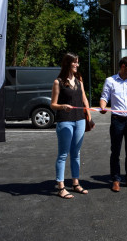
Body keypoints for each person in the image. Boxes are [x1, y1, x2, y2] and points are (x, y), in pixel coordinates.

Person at [51, 52, 92, 199]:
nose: (77, 65)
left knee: (76, 154)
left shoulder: (79, 81)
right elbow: (53, 104)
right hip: (65, 121)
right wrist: (63, 106)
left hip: (79, 120)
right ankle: (61, 187)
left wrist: (89, 117)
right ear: (68, 63)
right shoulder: (58, 82)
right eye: (74, 62)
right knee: (63, 154)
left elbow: (84, 99)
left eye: (78, 62)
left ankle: (75, 183)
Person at [100, 56, 127, 192]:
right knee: (115, 151)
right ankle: (116, 180)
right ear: (123, 67)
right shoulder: (110, 81)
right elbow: (104, 97)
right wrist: (102, 107)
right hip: (117, 120)